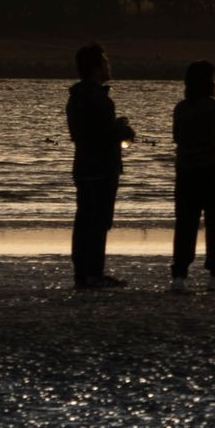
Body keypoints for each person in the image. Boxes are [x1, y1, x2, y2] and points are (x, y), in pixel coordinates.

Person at [64, 43, 135, 290]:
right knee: (98, 221)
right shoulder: (99, 99)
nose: (108, 67)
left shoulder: (76, 97)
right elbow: (103, 134)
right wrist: (123, 130)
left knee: (84, 220)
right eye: (105, 63)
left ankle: (83, 274)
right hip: (102, 167)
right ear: (95, 68)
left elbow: (82, 133)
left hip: (84, 165)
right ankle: (94, 274)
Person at [170, 62, 215, 288]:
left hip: (186, 170)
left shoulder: (181, 108)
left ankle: (179, 275)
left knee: (185, 224)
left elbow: (176, 136)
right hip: (213, 170)